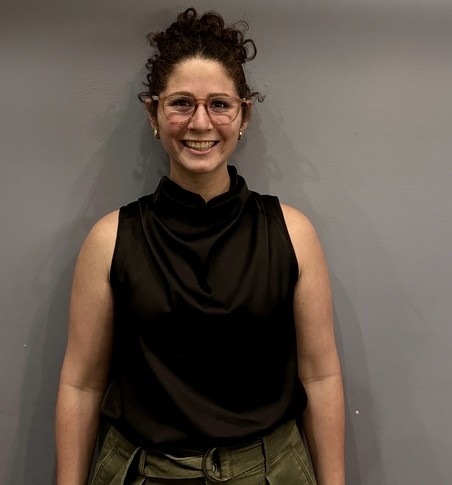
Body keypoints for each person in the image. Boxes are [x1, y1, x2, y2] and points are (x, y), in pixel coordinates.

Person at [55, 7, 345, 485]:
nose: (201, 122)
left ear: (244, 114)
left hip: (271, 473)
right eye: (182, 103)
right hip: (144, 473)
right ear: (153, 113)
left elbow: (320, 377)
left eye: (219, 104)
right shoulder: (110, 240)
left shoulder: (293, 234)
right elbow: (81, 385)